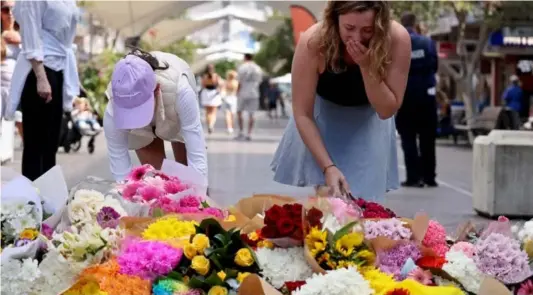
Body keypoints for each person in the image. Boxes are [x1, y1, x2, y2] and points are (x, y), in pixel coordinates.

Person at [271, 1, 411, 199]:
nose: (357, 38)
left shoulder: (397, 38)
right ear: (335, 19)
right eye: (349, 28)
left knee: (364, 199)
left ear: (381, 24)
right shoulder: (313, 41)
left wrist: (367, 67)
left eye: (367, 30)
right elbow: (302, 113)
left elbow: (386, 110)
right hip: (321, 120)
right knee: (329, 201)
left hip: (369, 120)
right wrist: (328, 167)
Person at [103, 49, 208, 186]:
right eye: (131, 112)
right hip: (150, 111)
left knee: (189, 178)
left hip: (173, 109)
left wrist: (200, 199)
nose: (137, 117)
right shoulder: (113, 109)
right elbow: (119, 166)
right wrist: (125, 199)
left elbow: (197, 154)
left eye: (140, 109)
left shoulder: (181, 92)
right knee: (156, 181)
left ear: (156, 89)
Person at [5, 0, 80, 181]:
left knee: (51, 143)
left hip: (59, 67)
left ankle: (48, 198)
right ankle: (33, 199)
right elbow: (30, 32)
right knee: (35, 143)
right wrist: (41, 77)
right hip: (39, 68)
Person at [395, 12, 439, 188]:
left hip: (405, 97)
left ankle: (413, 177)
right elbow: (434, 65)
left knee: (408, 138)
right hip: (426, 97)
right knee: (428, 138)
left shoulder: (396, 44)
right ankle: (429, 177)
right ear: (415, 23)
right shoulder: (427, 42)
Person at [1, 1, 22, 141]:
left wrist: (19, 39)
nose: (9, 13)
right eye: (5, 9)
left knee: (24, 123)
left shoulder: (26, 32)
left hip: (20, 87)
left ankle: (36, 162)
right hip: (1, 87)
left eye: (13, 9)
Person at [236, 53, 263, 141]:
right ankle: (249, 133)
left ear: (245, 58)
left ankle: (241, 132)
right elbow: (260, 81)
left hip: (243, 92)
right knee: (252, 114)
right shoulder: (258, 68)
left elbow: (239, 81)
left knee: (239, 112)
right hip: (254, 93)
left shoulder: (242, 67)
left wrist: (237, 92)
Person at [200, 64, 222, 134]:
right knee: (213, 112)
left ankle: (209, 124)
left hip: (206, 93)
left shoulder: (204, 76)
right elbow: (219, 84)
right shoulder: (216, 76)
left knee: (208, 112)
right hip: (214, 93)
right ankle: (211, 124)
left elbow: (203, 85)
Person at [222, 70, 238, 134]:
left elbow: (223, 90)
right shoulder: (236, 83)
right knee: (232, 114)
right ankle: (231, 127)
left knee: (227, 114)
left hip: (227, 98)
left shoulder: (226, 82)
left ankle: (229, 127)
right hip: (233, 99)